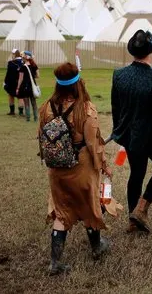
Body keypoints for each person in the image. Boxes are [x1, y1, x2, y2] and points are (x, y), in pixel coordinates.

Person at [39, 62, 112, 275]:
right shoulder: (86, 109)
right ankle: (97, 247)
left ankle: (55, 262)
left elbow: (42, 140)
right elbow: (93, 144)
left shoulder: (46, 107)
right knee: (89, 207)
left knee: (62, 212)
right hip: (81, 169)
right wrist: (104, 166)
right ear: (78, 83)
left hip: (56, 171)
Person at [111, 30, 152, 234]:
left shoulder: (119, 75)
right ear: (151, 51)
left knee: (136, 174)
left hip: (130, 136)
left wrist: (119, 133)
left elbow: (116, 108)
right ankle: (141, 209)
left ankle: (133, 220)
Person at [16, 51, 39, 122]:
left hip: (25, 86)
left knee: (26, 103)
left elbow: (20, 78)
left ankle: (28, 118)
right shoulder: (34, 65)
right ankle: (35, 118)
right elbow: (38, 76)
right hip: (33, 86)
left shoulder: (22, 67)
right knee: (34, 102)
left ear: (25, 58)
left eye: (23, 57)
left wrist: (18, 88)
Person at [3, 48, 24, 116]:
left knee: (11, 95)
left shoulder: (11, 63)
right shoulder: (23, 62)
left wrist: (5, 81)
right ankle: (21, 112)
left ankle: (12, 111)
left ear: (14, 54)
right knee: (20, 97)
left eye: (12, 54)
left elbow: (8, 74)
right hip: (21, 81)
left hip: (11, 82)